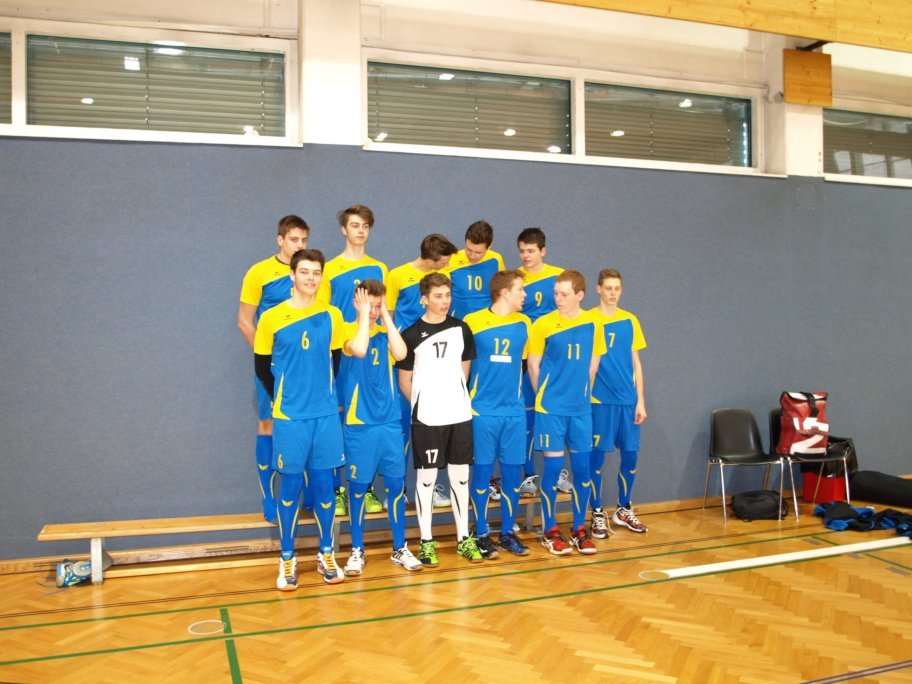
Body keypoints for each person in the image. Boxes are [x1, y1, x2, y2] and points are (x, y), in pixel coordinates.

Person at [254, 248, 346, 590]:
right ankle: (287, 558)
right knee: (291, 486)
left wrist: (322, 394)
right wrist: (286, 397)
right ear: (292, 275)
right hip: (291, 417)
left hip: (325, 416)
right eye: (304, 272)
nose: (310, 278)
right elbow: (262, 368)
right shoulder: (271, 318)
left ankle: (326, 553)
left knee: (324, 486)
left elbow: (335, 360)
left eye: (316, 273)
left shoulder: (332, 315)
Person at [337, 279, 423, 575]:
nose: (373, 311)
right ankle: (357, 550)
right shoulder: (346, 330)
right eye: (369, 305)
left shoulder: (388, 332)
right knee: (359, 488)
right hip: (360, 424)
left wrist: (386, 314)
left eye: (378, 305)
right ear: (356, 303)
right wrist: (364, 316)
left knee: (397, 485)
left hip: (389, 422)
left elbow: (401, 354)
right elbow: (360, 349)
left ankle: (399, 547)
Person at [396, 272, 481, 565]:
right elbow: (404, 381)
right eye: (437, 296)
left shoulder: (462, 329)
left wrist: (452, 397)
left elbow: (464, 370)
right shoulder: (410, 335)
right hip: (427, 418)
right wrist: (426, 404)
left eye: (447, 295)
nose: (444, 301)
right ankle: (426, 541)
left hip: (459, 414)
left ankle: (463, 539)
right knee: (427, 479)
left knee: (460, 477)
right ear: (424, 299)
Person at [527, 270, 606, 556]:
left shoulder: (594, 323)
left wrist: (579, 392)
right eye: (556, 293)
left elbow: (594, 363)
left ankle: (578, 529)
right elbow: (533, 364)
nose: (558, 298)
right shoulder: (543, 324)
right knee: (552, 468)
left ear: (580, 295)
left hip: (580, 410)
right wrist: (546, 397)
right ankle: (550, 530)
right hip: (551, 409)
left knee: (583, 469)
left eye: (564, 294)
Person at [238, 215, 310, 523]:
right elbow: (244, 321)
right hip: (274, 365)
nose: (299, 245)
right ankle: (269, 497)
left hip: (306, 367)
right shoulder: (259, 272)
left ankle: (307, 493)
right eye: (294, 239)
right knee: (268, 424)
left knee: (305, 425)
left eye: (304, 240)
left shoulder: (311, 273)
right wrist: (266, 358)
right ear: (280, 240)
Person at [318, 204, 388, 516]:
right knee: (339, 423)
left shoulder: (379, 268)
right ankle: (338, 491)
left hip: (371, 355)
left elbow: (384, 314)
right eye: (355, 225)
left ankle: (366, 487)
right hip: (342, 351)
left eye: (365, 226)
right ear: (344, 229)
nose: (361, 231)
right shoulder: (330, 269)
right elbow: (323, 314)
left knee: (366, 422)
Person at [386, 233, 459, 509]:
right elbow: (388, 317)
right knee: (406, 430)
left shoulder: (442, 277)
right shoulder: (397, 275)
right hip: (408, 360)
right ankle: (400, 490)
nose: (447, 266)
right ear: (431, 259)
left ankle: (431, 485)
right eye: (443, 261)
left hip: (436, 360)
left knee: (436, 429)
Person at [464, 270, 532, 557]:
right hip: (482, 412)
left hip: (514, 413)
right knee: (482, 472)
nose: (525, 294)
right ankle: (481, 533)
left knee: (512, 474)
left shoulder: (524, 323)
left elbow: (524, 365)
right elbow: (463, 367)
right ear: (504, 292)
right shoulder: (472, 321)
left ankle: (506, 533)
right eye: (520, 289)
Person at [589, 268, 648, 537]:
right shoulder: (588, 319)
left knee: (631, 455)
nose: (613, 293)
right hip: (599, 401)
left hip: (627, 401)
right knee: (596, 458)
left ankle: (624, 509)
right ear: (598, 289)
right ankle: (596, 512)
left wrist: (640, 401)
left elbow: (636, 363)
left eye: (617, 289)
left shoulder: (630, 320)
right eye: (608, 288)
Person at [516, 227, 565, 499]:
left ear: (543, 251)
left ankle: (555, 472)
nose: (526, 256)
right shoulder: (515, 279)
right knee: (527, 412)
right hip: (525, 355)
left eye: (531, 251)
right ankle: (528, 474)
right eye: (522, 251)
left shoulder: (558, 277)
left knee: (553, 410)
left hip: (552, 355)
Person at [446, 220, 505, 320]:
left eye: (478, 252)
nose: (472, 256)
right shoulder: (450, 260)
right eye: (469, 250)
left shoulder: (496, 260)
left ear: (489, 246)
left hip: (488, 322)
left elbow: (501, 292)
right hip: (459, 321)